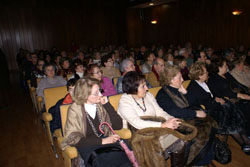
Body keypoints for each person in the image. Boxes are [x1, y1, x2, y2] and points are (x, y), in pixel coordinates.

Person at [118, 71, 186, 166]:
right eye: (143, 86)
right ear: (133, 88)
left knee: (181, 140)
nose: (147, 88)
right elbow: (136, 122)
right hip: (139, 136)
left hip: (155, 131)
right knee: (178, 140)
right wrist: (162, 125)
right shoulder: (125, 102)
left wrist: (171, 119)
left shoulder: (148, 96)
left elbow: (160, 112)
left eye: (146, 85)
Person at [61, 78, 131, 167]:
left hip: (106, 139)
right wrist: (102, 141)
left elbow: (118, 125)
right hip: (87, 144)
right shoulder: (75, 109)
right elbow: (73, 139)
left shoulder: (100, 105)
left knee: (123, 157)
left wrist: (107, 105)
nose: (101, 95)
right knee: (103, 160)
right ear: (85, 96)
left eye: (100, 90)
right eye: (96, 93)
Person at [156, 65, 215, 166]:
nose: (183, 79)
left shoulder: (179, 89)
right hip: (178, 123)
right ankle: (194, 161)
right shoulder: (163, 94)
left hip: (188, 118)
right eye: (179, 77)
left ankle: (203, 159)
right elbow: (175, 112)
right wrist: (195, 113)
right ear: (171, 80)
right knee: (204, 130)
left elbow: (195, 103)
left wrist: (186, 92)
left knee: (210, 123)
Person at [186, 62, 250, 153]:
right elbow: (203, 105)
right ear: (199, 75)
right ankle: (246, 143)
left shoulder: (203, 82)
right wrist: (218, 102)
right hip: (209, 113)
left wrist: (217, 98)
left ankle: (246, 143)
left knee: (233, 111)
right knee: (232, 119)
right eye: (205, 72)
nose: (208, 73)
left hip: (216, 107)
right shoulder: (193, 88)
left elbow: (211, 96)